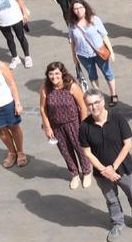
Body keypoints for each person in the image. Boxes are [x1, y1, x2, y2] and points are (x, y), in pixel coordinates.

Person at [79, 89, 132, 242]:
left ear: (103, 102)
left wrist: (113, 167)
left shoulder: (117, 118)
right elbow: (87, 153)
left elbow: (128, 144)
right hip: (102, 173)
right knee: (111, 199)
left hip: (123, 168)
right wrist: (104, 170)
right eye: (90, 104)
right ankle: (117, 222)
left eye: (96, 102)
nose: (94, 107)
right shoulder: (84, 126)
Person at [39, 61, 92, 190]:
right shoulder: (45, 88)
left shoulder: (71, 86)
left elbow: (83, 107)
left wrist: (83, 125)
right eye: (51, 74)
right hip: (56, 126)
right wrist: (47, 127)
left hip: (73, 123)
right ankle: (74, 173)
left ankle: (86, 172)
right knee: (65, 151)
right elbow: (42, 109)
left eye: (57, 73)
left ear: (62, 73)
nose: (54, 77)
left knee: (80, 148)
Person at [68, 0, 119, 106]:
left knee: (107, 73)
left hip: (100, 52)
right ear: (72, 11)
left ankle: (113, 95)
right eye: (75, 9)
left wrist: (112, 51)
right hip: (83, 55)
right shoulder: (72, 24)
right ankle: (99, 96)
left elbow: (104, 36)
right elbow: (72, 41)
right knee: (92, 75)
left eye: (80, 8)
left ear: (85, 8)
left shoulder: (94, 20)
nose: (78, 10)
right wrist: (74, 57)